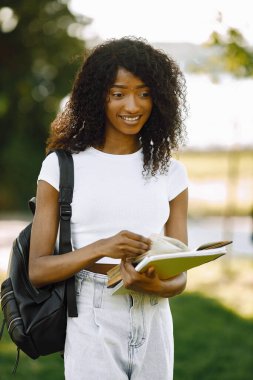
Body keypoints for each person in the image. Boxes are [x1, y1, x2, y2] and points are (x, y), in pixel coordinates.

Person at [29, 36, 189, 380]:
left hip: (155, 318)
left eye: (144, 93)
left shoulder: (171, 172)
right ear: (97, 95)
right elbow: (38, 270)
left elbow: (180, 274)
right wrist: (103, 247)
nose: (133, 106)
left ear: (159, 99)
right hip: (90, 311)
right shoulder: (61, 166)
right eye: (118, 93)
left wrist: (159, 287)